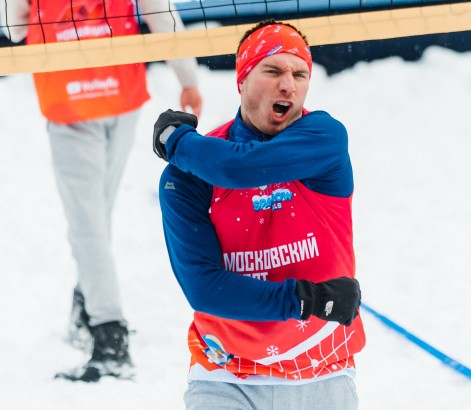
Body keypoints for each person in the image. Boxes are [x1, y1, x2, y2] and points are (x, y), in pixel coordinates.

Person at [152, 19, 365, 409]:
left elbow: (241, 167)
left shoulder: (325, 138)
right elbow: (205, 289)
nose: (289, 85)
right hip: (225, 375)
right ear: (242, 79)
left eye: (299, 74)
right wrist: (307, 300)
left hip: (321, 368)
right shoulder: (187, 177)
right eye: (273, 71)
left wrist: (176, 142)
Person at [1, 0, 202, 382]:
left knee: (87, 224)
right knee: (95, 216)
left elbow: (15, 29)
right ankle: (87, 305)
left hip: (71, 97)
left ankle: (110, 336)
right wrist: (187, 78)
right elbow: (160, 13)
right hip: (119, 94)